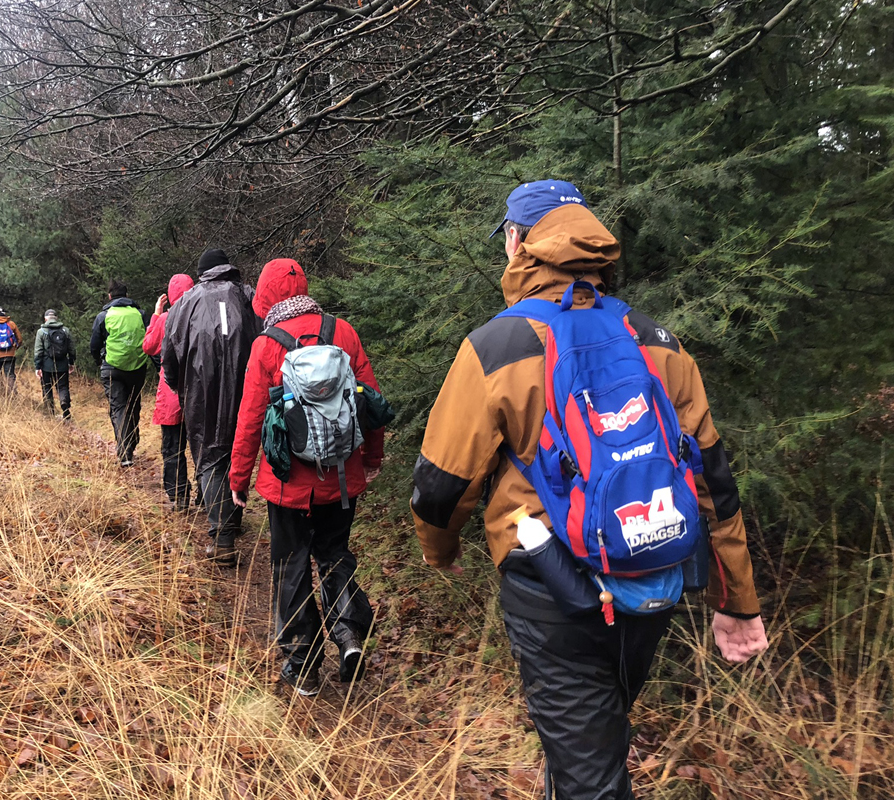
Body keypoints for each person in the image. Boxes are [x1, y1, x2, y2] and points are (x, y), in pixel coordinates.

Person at [410, 180, 768, 799]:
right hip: (653, 571)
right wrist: (737, 597)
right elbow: (713, 479)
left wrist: (440, 552)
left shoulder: (498, 345)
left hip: (550, 585)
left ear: (518, 244)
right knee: (594, 739)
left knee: (590, 774)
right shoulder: (656, 340)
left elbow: (441, 484)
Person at [229, 258, 384, 697]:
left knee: (291, 566)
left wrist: (238, 479)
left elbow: (251, 418)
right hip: (340, 477)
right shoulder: (343, 332)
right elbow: (371, 402)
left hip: (286, 485)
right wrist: (372, 458)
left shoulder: (267, 346)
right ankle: (349, 632)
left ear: (266, 297)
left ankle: (304, 665)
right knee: (334, 554)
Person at [162, 248, 261, 564]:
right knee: (238, 448)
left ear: (203, 272)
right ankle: (231, 523)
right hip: (247, 384)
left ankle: (223, 538)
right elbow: (265, 335)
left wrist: (179, 386)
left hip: (200, 389)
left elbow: (170, 351)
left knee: (208, 455)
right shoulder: (247, 295)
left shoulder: (187, 301)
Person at [143, 273, 196, 511]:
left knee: (172, 448)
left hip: (172, 394)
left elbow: (149, 346)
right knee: (203, 447)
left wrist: (156, 314)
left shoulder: (166, 318)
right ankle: (208, 496)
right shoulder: (201, 314)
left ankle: (179, 496)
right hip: (200, 392)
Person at [90, 280, 150, 467]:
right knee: (133, 405)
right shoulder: (140, 314)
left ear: (110, 296)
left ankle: (125, 451)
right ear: (126, 294)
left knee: (118, 407)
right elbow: (151, 339)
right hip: (137, 367)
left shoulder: (104, 316)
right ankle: (131, 443)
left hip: (112, 368)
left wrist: (100, 362)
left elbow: (94, 345)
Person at [34, 308, 77, 420]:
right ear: (56, 318)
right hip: (62, 365)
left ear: (45, 318)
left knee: (47, 388)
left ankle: (49, 413)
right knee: (62, 387)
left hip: (46, 366)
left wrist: (38, 366)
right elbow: (71, 348)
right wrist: (71, 362)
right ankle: (65, 408)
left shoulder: (41, 332)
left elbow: (38, 351)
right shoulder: (65, 330)